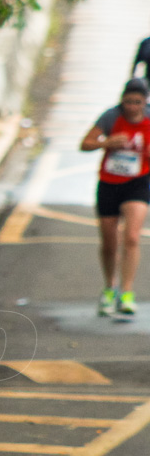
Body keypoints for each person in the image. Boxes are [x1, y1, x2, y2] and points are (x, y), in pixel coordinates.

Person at [80, 78, 150, 316]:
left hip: (138, 183)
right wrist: (106, 142)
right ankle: (110, 287)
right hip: (109, 183)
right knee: (110, 243)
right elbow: (85, 143)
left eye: (137, 102)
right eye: (128, 101)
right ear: (122, 100)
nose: (132, 107)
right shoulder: (110, 117)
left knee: (131, 236)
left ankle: (127, 291)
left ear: (145, 102)